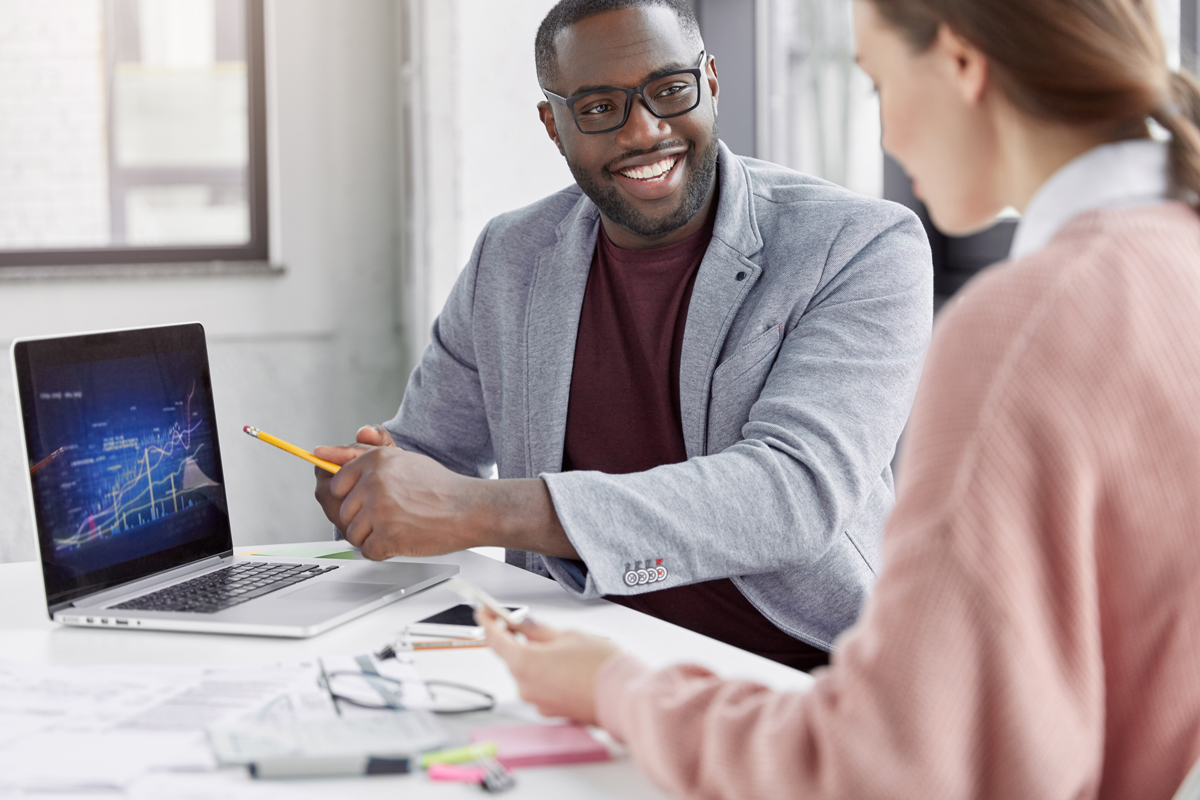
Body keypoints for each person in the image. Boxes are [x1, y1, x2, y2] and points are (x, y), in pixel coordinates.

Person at [478, 0, 1200, 796]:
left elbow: (886, 766)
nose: (887, 136)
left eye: (877, 84)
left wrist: (612, 687)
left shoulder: (1025, 325)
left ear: (961, 66)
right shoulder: (1171, 265)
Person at [311, 0, 932, 672]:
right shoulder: (509, 256)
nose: (645, 131)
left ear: (711, 82)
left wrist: (479, 509)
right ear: (554, 125)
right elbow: (431, 455)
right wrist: (372, 487)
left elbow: (791, 494)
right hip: (577, 663)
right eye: (601, 107)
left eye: (670, 91)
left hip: (803, 671)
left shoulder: (859, 246)